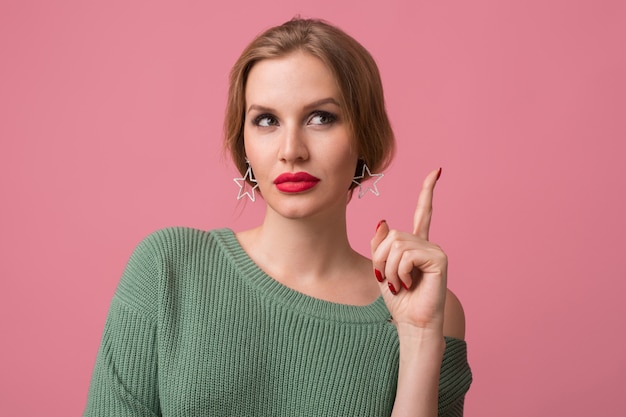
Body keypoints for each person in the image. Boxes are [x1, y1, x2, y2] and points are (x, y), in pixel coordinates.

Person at [84, 18, 472, 417]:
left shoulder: (424, 306)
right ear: (244, 143)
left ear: (364, 135)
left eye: (321, 117)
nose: (291, 150)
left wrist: (420, 337)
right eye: (267, 120)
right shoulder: (168, 268)